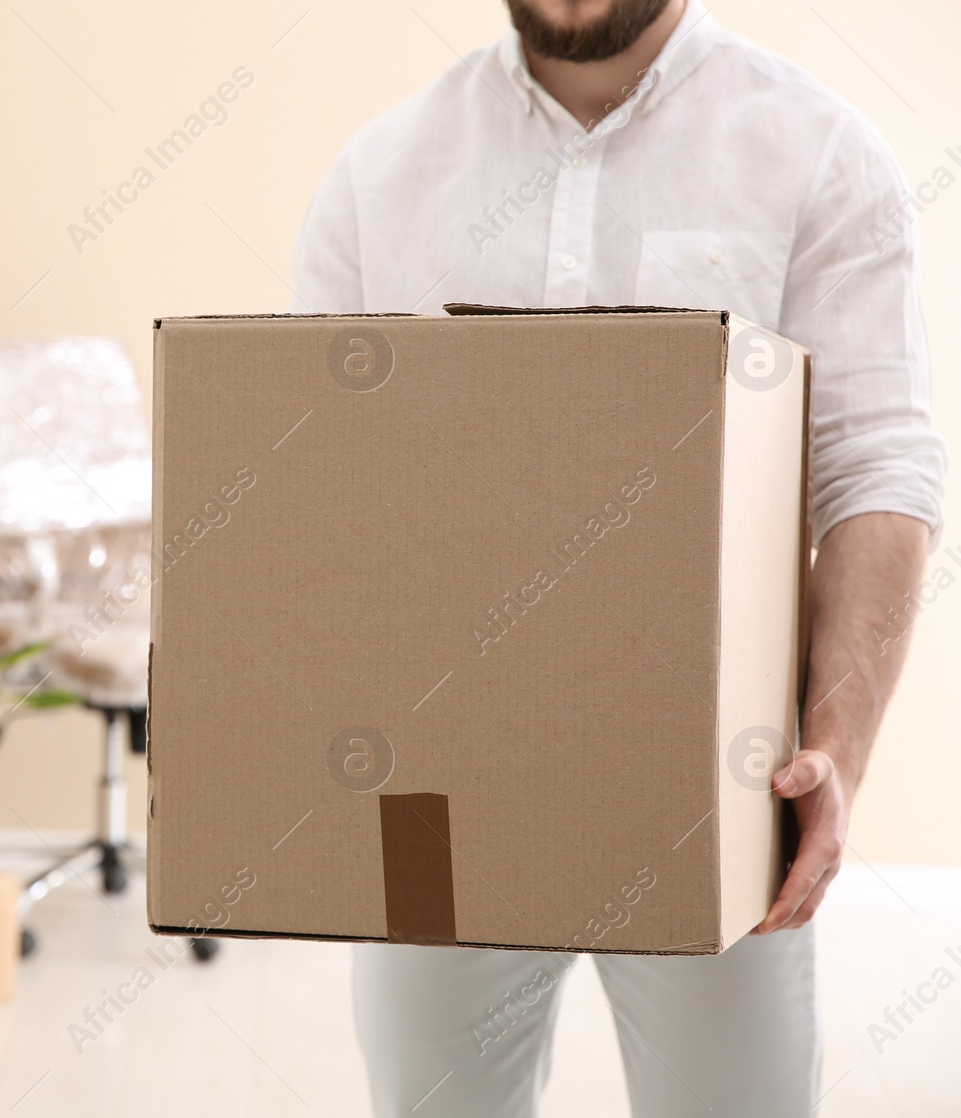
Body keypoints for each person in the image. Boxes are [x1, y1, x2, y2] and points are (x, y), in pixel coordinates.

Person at [289, 0, 947, 1114]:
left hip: (718, 779)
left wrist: (835, 746)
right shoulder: (384, 168)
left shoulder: (813, 148)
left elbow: (875, 469)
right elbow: (317, 480)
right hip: (432, 781)